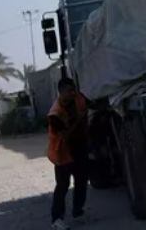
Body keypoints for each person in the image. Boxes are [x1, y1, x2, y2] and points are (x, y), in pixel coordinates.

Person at [48, 78, 89, 229]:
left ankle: (78, 211)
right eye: (69, 91)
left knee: (81, 181)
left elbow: (90, 105)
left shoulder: (79, 99)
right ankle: (57, 219)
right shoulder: (55, 113)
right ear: (61, 92)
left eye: (73, 90)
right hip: (62, 152)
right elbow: (64, 135)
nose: (72, 93)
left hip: (79, 148)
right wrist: (79, 120)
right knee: (63, 185)